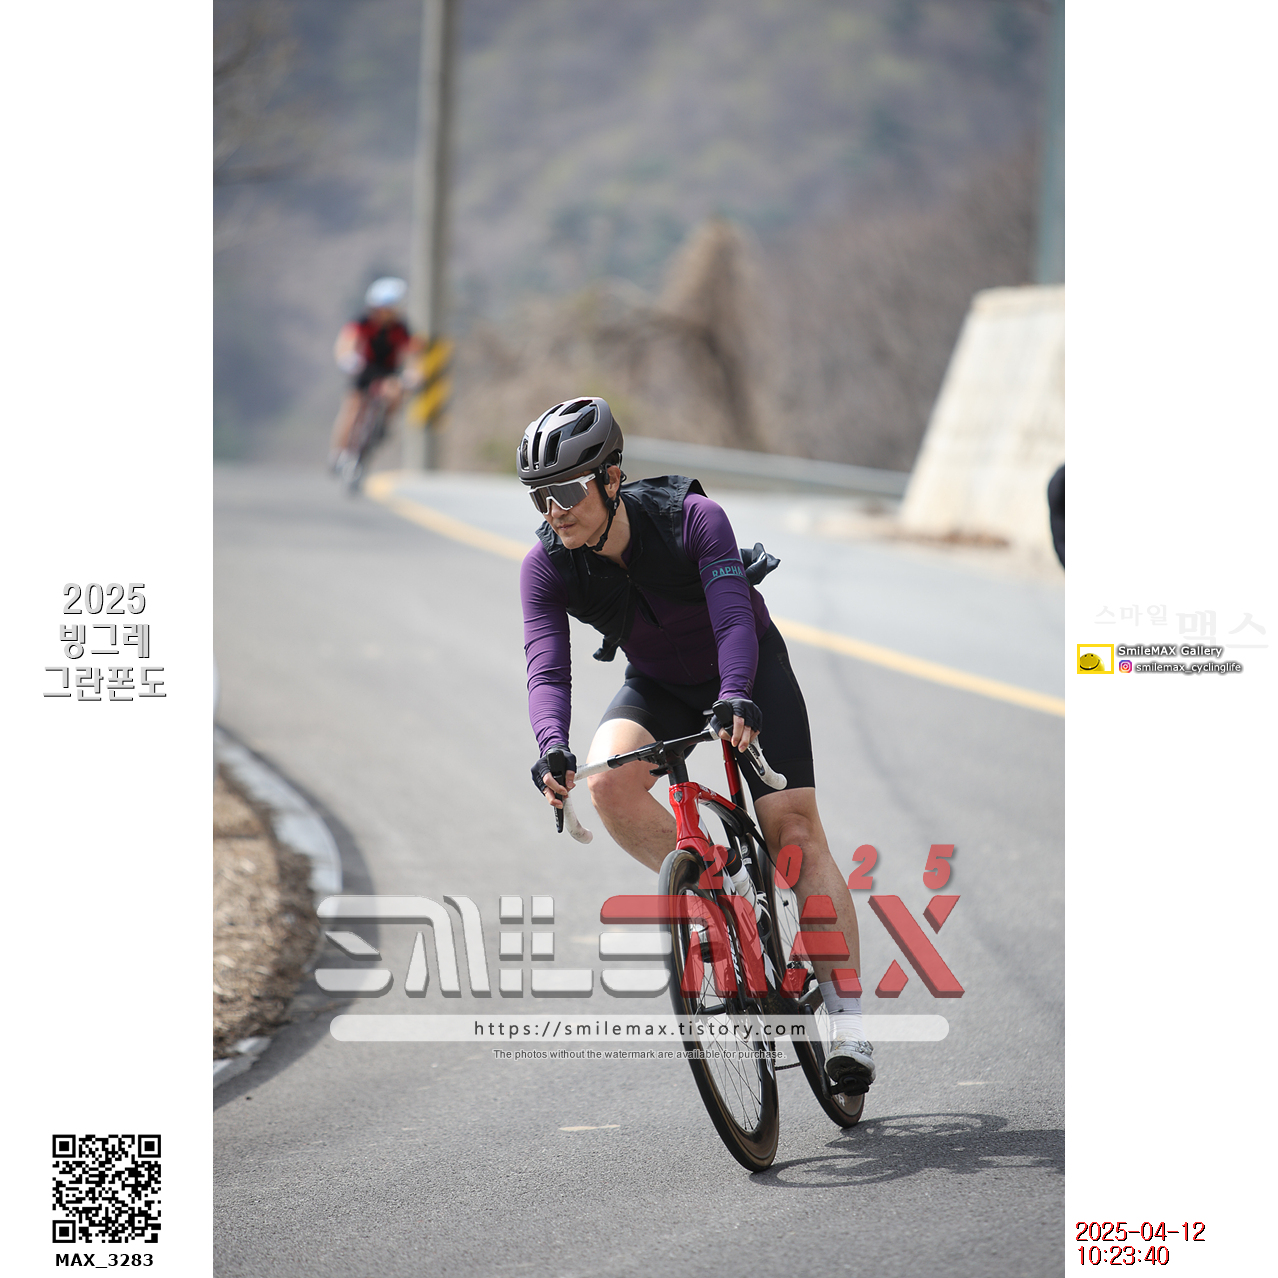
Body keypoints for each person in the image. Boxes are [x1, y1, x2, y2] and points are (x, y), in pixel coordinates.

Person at [517, 396, 875, 1096]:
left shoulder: (692, 517)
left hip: (747, 671)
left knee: (795, 833)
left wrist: (737, 692)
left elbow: (735, 618)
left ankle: (849, 1027)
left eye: (567, 490)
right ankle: (718, 894)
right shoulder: (547, 566)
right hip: (659, 684)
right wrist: (552, 746)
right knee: (607, 782)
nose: (554, 510)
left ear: (611, 477)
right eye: (539, 496)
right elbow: (546, 668)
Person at [328, 277, 420, 472]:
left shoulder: (401, 328)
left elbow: (413, 353)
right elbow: (346, 342)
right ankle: (338, 452)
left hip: (388, 371)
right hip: (364, 369)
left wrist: (414, 373)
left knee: (395, 392)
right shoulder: (362, 322)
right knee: (352, 408)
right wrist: (346, 358)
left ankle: (383, 424)